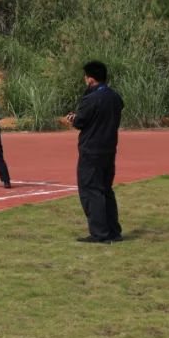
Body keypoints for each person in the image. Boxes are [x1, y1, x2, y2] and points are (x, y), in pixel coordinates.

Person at [67, 61, 124, 244]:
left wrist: (74, 119)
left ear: (90, 79)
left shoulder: (91, 99)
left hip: (92, 150)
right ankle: (113, 231)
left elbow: (81, 122)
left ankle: (99, 233)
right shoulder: (115, 97)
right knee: (106, 190)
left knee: (91, 191)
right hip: (109, 149)